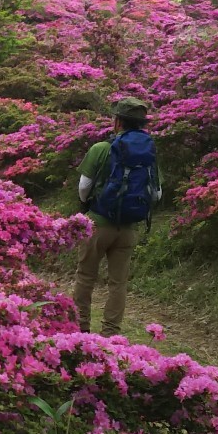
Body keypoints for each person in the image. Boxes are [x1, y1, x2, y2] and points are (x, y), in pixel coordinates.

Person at [73, 96, 161, 335]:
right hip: (128, 228)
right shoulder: (148, 152)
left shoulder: (101, 148)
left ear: (118, 122)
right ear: (141, 123)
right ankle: (110, 334)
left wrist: (86, 206)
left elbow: (83, 187)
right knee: (118, 283)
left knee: (86, 276)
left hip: (98, 224)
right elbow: (157, 194)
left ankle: (80, 330)